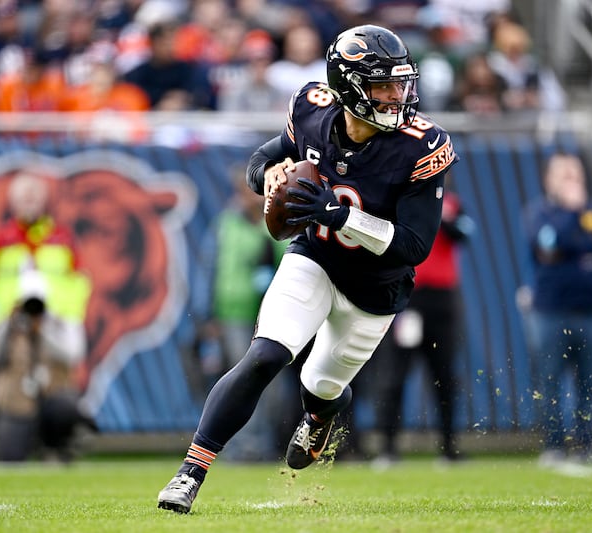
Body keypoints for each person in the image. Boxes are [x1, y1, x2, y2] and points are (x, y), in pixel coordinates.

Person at [157, 23, 457, 513]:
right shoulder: (312, 110)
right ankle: (190, 472)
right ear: (348, 88)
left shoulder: (421, 145)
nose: (397, 95)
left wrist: (339, 215)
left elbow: (414, 245)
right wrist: (266, 176)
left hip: (374, 292)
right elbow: (264, 159)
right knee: (265, 356)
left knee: (320, 386)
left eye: (400, 83)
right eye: (382, 85)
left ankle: (320, 415)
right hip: (314, 259)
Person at [0, 172, 93, 461]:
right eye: (23, 196)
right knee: (8, 387)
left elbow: (79, 281)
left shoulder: (61, 238)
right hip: (13, 328)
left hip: (54, 326)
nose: (29, 202)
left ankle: (62, 436)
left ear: (43, 199)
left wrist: (62, 314)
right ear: (12, 202)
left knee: (63, 385)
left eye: (33, 195)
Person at [521, 153, 592, 464]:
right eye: (564, 175)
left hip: (591, 311)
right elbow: (548, 246)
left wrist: (573, 247)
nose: (572, 180)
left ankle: (589, 443)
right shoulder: (540, 213)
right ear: (549, 180)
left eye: (575, 173)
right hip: (551, 313)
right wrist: (572, 216)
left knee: (591, 382)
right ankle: (555, 445)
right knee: (550, 381)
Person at [371, 187, 473, 466]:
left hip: (442, 302)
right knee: (396, 373)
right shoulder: (399, 200)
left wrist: (441, 215)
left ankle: (449, 446)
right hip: (410, 300)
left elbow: (465, 232)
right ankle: (388, 448)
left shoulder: (452, 202)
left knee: (444, 376)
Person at [198, 165, 292, 461]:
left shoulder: (277, 222)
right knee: (241, 380)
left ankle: (262, 443)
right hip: (234, 313)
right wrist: (207, 314)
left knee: (270, 384)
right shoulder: (225, 224)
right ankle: (242, 446)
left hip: (271, 313)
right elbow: (209, 270)